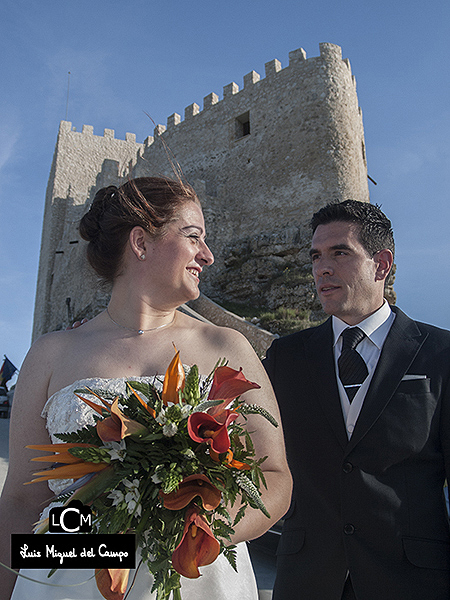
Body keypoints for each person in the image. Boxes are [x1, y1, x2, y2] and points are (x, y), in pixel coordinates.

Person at [0, 176, 292, 600]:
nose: (207, 256)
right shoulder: (49, 354)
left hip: (194, 581)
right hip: (67, 574)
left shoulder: (224, 346)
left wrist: (190, 531)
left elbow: (274, 477)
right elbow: (21, 503)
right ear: (141, 242)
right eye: (193, 237)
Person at [264, 199, 450, 600]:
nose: (321, 268)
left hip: (414, 584)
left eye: (340, 253)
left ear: (381, 264)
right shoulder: (285, 358)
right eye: (316, 256)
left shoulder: (441, 353)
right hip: (306, 581)